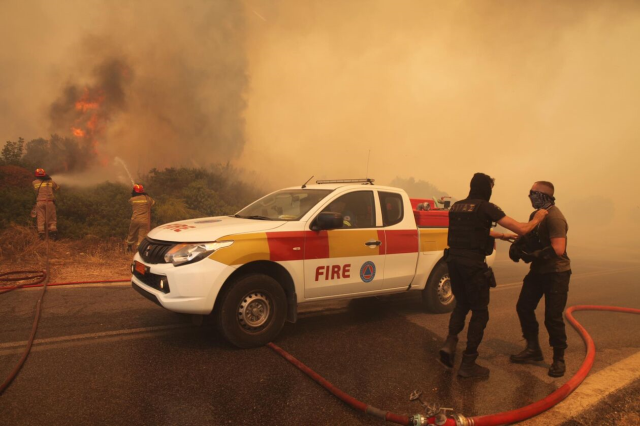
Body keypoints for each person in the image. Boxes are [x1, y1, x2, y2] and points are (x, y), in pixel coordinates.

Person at [439, 173, 549, 378]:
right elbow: (523, 229)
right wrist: (538, 217)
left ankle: (450, 342)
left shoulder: (457, 207)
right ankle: (468, 363)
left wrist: (502, 235)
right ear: (486, 189)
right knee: (480, 313)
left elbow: (474, 230)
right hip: (473, 266)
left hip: (453, 263)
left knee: (462, 305)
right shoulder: (486, 207)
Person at [509, 181, 571, 377]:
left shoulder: (555, 217)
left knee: (552, 317)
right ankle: (533, 349)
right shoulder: (535, 216)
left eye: (533, 193)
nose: (530, 197)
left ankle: (558, 359)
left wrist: (533, 255)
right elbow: (529, 234)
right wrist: (518, 246)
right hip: (538, 272)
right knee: (524, 307)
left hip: (556, 273)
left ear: (544, 196)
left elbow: (558, 249)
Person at [32, 168, 60, 240]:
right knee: (51, 218)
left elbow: (36, 190)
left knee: (40, 218)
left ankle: (41, 235)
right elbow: (57, 188)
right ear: (44, 174)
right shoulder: (51, 182)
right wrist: (49, 179)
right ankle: (53, 234)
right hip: (50, 202)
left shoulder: (34, 182)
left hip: (40, 202)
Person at [127, 184, 155, 252]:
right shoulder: (147, 199)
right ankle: (139, 250)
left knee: (132, 233)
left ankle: (129, 247)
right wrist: (146, 195)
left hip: (135, 219)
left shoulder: (132, 199)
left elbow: (130, 202)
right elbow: (153, 203)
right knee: (142, 236)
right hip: (144, 220)